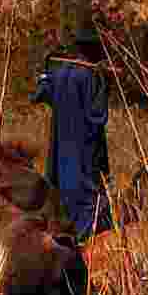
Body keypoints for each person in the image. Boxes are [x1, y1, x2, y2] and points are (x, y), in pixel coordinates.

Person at [32, 30, 115, 238]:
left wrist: (45, 72)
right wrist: (105, 82)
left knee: (63, 190)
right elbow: (98, 115)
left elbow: (40, 94)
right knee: (86, 195)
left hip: (61, 149)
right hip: (83, 150)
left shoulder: (60, 72)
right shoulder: (90, 75)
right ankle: (84, 236)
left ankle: (65, 233)